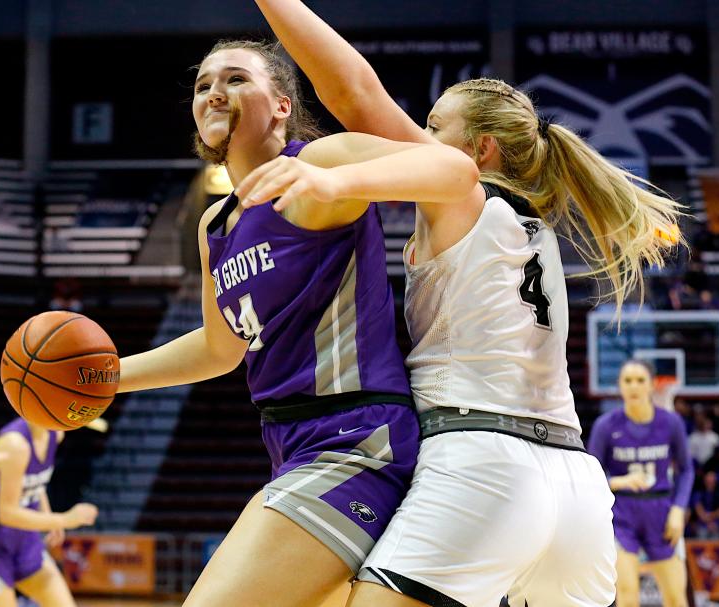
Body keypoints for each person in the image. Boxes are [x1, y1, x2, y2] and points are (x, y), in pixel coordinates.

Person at [253, 2, 684, 605]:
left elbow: (354, 94)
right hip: (575, 485)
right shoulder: (532, 227)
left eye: (432, 127)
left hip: (483, 463)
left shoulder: (462, 195)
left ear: (479, 150)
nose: (420, 138)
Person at [116, 39, 480, 607]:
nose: (214, 91)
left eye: (235, 79)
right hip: (290, 441)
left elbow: (454, 169)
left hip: (356, 436)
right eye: (202, 84)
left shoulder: (316, 163)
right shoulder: (216, 223)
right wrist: (107, 377)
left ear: (282, 106)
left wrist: (337, 185)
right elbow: (220, 348)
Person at [588, 361, 693, 607]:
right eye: (627, 380)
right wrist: (618, 481)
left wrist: (679, 509)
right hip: (622, 513)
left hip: (662, 511)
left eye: (640, 380)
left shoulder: (671, 423)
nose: (633, 386)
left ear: (652, 385)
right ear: (619, 386)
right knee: (626, 594)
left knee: (677, 597)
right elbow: (590, 476)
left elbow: (687, 469)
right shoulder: (606, 426)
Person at [0, 417, 98, 607]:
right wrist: (63, 520)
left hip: (25, 535)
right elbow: (7, 513)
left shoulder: (56, 434)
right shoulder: (14, 444)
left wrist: (48, 516)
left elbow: (36, 482)